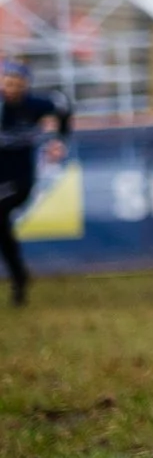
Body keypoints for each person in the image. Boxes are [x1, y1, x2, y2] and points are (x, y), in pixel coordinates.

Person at [0, 60, 71, 306]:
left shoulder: (35, 105)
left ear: (26, 85)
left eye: (17, 83)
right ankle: (19, 279)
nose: (11, 88)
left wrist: (60, 139)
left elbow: (63, 105)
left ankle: (19, 279)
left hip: (20, 182)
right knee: (2, 229)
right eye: (7, 82)